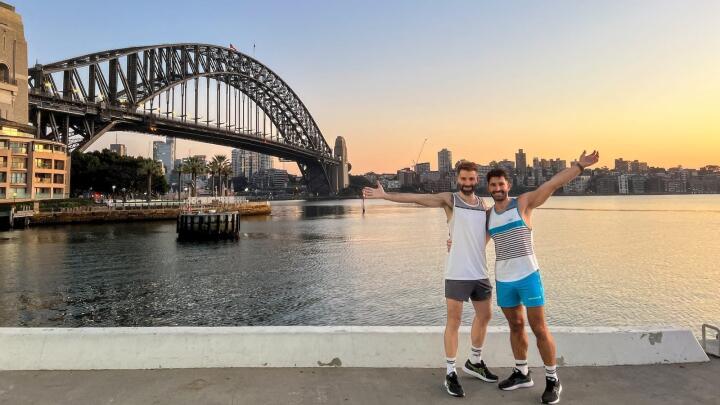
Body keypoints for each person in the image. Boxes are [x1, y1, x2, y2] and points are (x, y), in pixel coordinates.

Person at [362, 161, 498, 397]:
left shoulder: (482, 204)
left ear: (477, 180)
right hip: (457, 272)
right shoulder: (450, 200)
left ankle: (475, 362)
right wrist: (386, 196)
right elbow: (417, 199)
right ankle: (450, 373)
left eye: (471, 179)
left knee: (485, 316)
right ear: (458, 179)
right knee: (453, 321)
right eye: (464, 179)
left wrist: (465, 245)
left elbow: (481, 235)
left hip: (480, 272)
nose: (467, 183)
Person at [485, 150, 599, 404]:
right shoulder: (488, 216)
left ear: (508, 185)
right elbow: (475, 243)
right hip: (504, 280)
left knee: (538, 328)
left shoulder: (523, 204)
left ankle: (552, 379)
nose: (497, 188)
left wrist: (579, 165)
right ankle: (522, 372)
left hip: (528, 276)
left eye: (501, 184)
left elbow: (553, 183)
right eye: (493, 185)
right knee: (515, 326)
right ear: (489, 188)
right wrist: (453, 243)